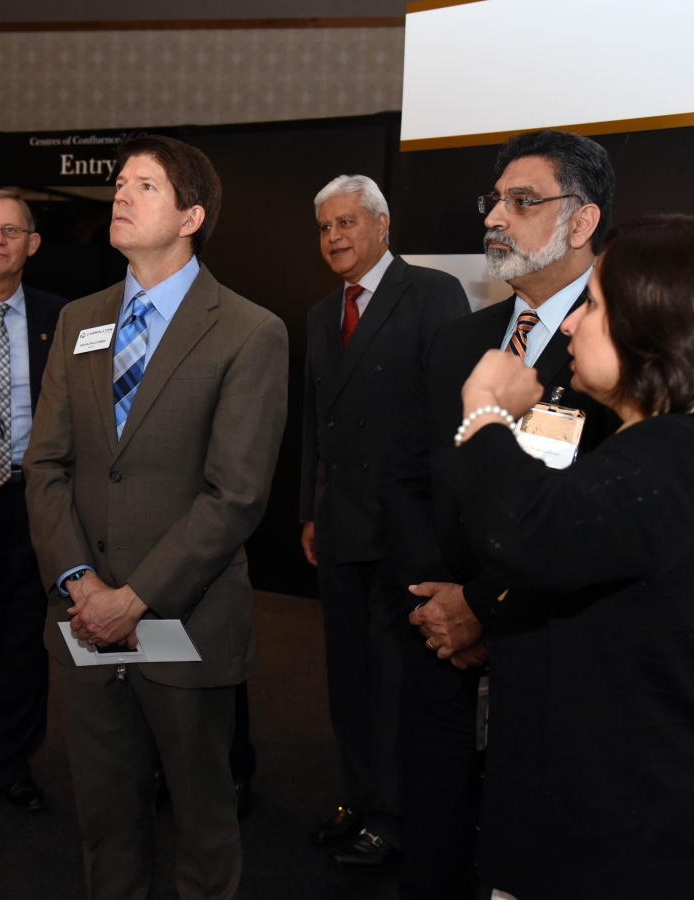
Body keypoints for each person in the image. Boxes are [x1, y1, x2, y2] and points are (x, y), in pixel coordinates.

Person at [429, 214, 694, 900]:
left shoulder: (683, 456)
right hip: (626, 843)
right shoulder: (680, 455)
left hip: (665, 856)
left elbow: (522, 532)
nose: (571, 325)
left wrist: (483, 409)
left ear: (654, 322)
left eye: (595, 306)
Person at [24, 134, 288, 900]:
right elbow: (48, 465)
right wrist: (82, 587)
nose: (121, 194)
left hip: (186, 620)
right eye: (119, 181)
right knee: (106, 818)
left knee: (203, 822)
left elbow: (235, 495)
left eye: (145, 185)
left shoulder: (248, 330)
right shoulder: (79, 319)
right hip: (82, 617)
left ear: (190, 216)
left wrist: (130, 599)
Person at [385, 129, 620, 899]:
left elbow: (595, 514)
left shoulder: (621, 349)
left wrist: (484, 608)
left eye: (523, 202)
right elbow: (412, 477)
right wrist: (436, 601)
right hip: (435, 644)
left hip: (544, 653)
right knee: (434, 847)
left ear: (581, 222)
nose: (495, 218)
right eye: (494, 201)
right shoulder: (460, 339)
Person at [299, 174, 469, 867]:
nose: (334, 237)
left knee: (398, 677)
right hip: (338, 524)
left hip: (405, 528)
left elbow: (450, 415)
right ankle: (361, 797)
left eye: (347, 223)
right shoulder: (319, 314)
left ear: (382, 226)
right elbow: (316, 421)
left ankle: (397, 815)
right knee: (348, 674)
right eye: (324, 227)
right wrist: (310, 508)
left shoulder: (432, 294)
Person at [0, 189, 68, 812]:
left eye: (11, 231)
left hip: (31, 505)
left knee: (24, 644)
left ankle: (10, 762)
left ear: (32, 243)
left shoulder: (66, 318)